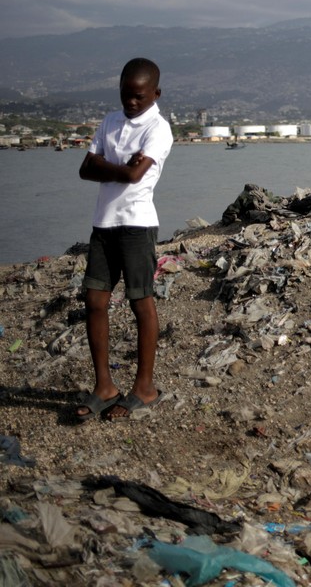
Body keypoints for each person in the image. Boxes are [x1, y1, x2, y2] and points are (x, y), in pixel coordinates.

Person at [76, 57, 173, 420]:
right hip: (103, 224)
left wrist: (108, 168)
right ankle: (105, 386)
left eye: (138, 96)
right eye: (125, 95)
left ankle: (144, 388)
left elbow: (135, 177)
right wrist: (120, 168)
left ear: (155, 94)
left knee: (140, 302)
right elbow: (86, 169)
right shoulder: (109, 121)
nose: (131, 102)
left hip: (137, 225)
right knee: (94, 300)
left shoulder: (159, 129)